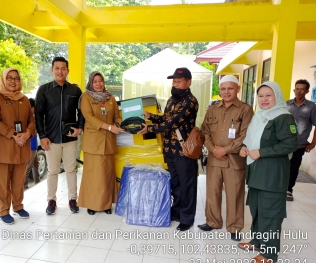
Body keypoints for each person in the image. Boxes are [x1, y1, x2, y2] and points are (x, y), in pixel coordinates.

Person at [238, 82, 297, 263]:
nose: (264, 99)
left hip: (272, 175)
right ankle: (257, 241)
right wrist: (244, 148)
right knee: (257, 209)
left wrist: (261, 152)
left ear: (277, 96)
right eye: (261, 95)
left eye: (268, 95)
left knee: (270, 213)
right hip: (257, 173)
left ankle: (270, 253)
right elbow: (254, 139)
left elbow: (290, 144)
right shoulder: (261, 116)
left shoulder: (283, 117)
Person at [138, 67, 199, 231]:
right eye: (174, 81)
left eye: (179, 81)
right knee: (176, 184)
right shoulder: (172, 99)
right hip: (170, 149)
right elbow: (166, 118)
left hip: (184, 150)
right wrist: (152, 117)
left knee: (187, 185)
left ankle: (187, 218)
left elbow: (173, 123)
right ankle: (177, 212)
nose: (176, 84)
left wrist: (150, 129)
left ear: (189, 82)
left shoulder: (190, 102)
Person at [198, 75, 253, 241]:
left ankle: (235, 227)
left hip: (234, 160)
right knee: (212, 192)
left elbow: (246, 134)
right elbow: (204, 131)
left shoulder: (245, 109)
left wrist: (225, 150)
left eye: (230, 88)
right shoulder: (213, 108)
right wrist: (213, 150)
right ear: (220, 90)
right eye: (223, 88)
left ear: (237, 89)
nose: (226, 92)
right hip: (215, 159)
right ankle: (213, 221)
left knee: (234, 194)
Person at [35, 57, 84, 215]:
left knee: (71, 170)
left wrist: (80, 128)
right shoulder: (44, 90)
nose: (60, 71)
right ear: (52, 70)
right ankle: (51, 200)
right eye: (57, 68)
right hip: (51, 139)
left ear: (68, 71)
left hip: (70, 138)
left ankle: (72, 199)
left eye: (63, 68)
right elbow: (38, 115)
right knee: (52, 171)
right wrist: (42, 135)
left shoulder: (75, 91)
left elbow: (82, 112)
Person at [0, 68, 35, 224]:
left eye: (16, 78)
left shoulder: (24, 99)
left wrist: (27, 133)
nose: (13, 81)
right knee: (2, 181)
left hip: (22, 146)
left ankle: (18, 206)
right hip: (5, 145)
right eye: (9, 78)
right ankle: (3, 210)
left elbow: (31, 120)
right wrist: (14, 135)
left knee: (18, 180)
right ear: (3, 79)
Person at [78, 71, 124, 215]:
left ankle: (106, 204)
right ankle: (92, 205)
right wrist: (110, 127)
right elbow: (89, 116)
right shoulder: (86, 97)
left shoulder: (110, 97)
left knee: (107, 175)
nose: (98, 84)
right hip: (93, 142)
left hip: (109, 141)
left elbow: (117, 115)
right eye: (95, 81)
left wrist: (120, 124)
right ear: (91, 83)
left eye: (100, 81)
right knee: (93, 175)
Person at [286, 79, 316, 201]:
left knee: (294, 168)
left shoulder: (311, 107)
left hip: (299, 145)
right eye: (297, 88)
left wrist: (313, 143)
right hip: (283, 143)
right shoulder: (286, 104)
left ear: (307, 91)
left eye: (302, 89)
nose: (298, 91)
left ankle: (288, 190)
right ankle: (278, 189)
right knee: (282, 167)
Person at [24, 98, 40, 190]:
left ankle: (37, 182)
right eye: (34, 108)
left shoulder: (32, 117)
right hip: (30, 145)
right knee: (29, 166)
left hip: (34, 144)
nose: (34, 110)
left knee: (35, 164)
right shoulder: (27, 118)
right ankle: (24, 185)